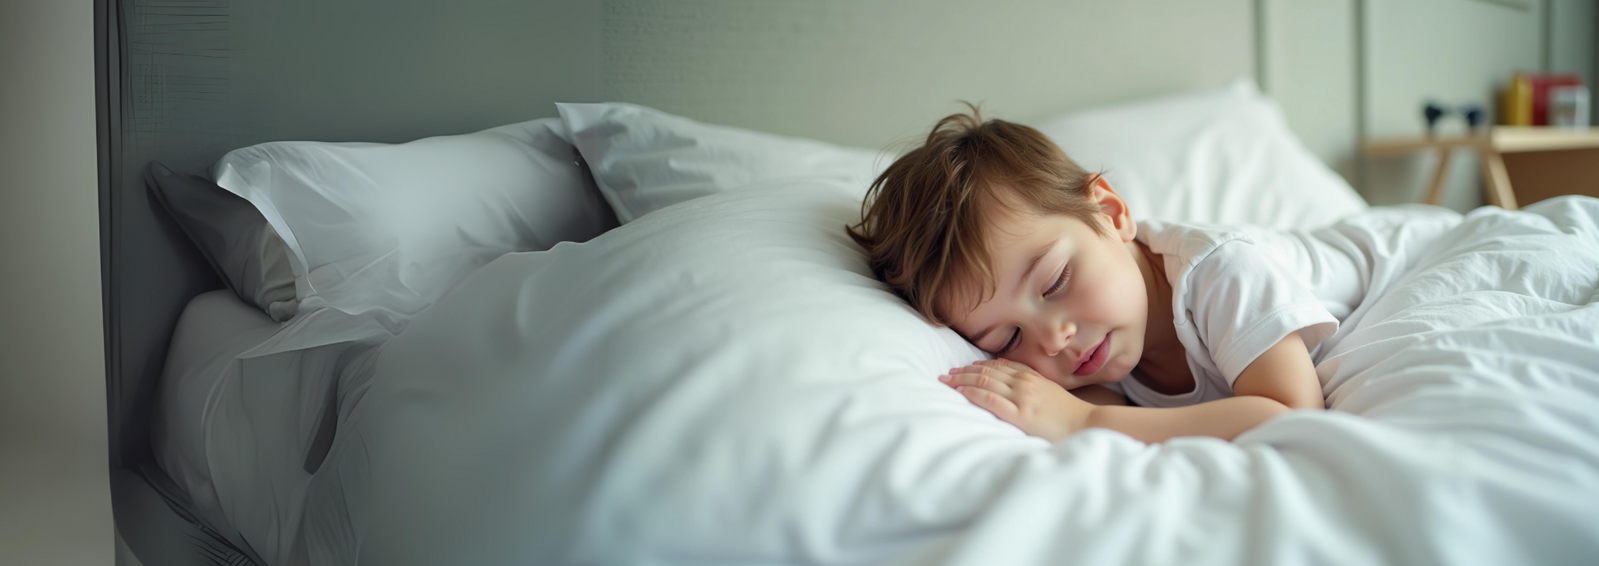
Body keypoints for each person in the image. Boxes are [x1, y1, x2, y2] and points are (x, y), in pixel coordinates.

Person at [847, 107, 1386, 444]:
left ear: (1110, 213)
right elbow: (1111, 416)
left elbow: (1293, 416)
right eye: (1007, 339)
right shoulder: (1090, 358)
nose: (1053, 338)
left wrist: (1081, 423)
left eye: (1054, 282)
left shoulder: (1220, 273)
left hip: (1388, 254)